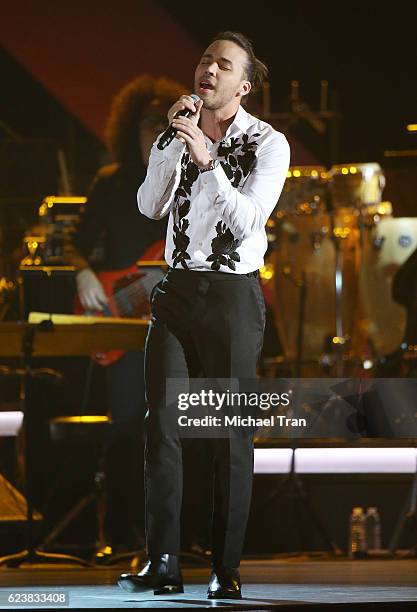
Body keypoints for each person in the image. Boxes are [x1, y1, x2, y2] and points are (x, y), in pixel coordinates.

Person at [117, 31, 290, 598]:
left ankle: (226, 566)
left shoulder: (268, 144)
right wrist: (173, 146)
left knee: (227, 436)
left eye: (222, 64)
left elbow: (247, 223)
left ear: (243, 86)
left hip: (233, 297)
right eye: (203, 61)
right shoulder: (177, 131)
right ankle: (162, 560)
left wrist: (208, 162)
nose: (207, 70)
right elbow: (148, 206)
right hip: (177, 291)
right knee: (160, 427)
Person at [68, 74, 184, 558]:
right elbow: (74, 246)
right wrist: (83, 276)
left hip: (169, 324)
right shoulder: (111, 183)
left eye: (164, 122)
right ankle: (119, 536)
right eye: (146, 123)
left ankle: (171, 541)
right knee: (123, 431)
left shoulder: (188, 179)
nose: (154, 130)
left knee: (172, 430)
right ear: (129, 129)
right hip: (119, 321)